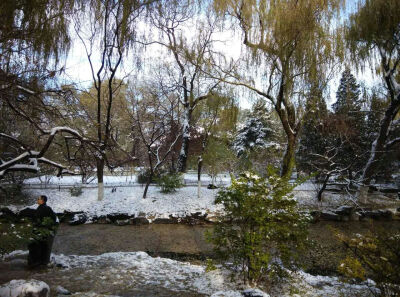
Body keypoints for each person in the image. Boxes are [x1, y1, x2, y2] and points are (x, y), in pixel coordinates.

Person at [28, 195, 58, 268]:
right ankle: (39, 262)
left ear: (43, 200)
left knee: (39, 246)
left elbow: (53, 219)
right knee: (39, 246)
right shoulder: (41, 208)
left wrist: (45, 227)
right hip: (40, 231)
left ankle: (38, 262)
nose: (37, 200)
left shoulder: (46, 208)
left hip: (43, 231)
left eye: (39, 199)